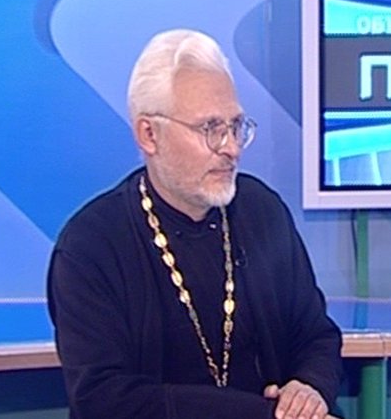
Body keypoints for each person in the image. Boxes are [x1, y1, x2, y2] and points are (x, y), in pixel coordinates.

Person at [47, 29, 343, 419]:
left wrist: (309, 387)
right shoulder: (91, 245)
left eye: (236, 126)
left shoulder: (262, 210)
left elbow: (315, 333)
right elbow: (105, 399)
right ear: (149, 134)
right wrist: (261, 414)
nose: (231, 147)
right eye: (210, 129)